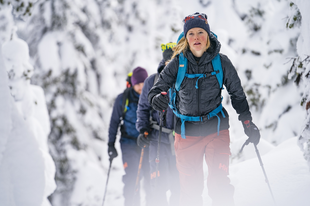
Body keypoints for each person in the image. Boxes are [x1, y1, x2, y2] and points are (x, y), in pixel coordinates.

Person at [148, 12, 260, 206]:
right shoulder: (177, 63)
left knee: (219, 185)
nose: (196, 37)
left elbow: (237, 94)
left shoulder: (221, 62)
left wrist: (247, 121)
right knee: (190, 192)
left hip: (216, 130)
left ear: (208, 35)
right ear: (186, 38)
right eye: (191, 33)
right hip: (186, 135)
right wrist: (156, 99)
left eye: (201, 32)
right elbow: (156, 90)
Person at [136, 43, 180, 206]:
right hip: (157, 140)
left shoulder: (183, 79)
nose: (170, 63)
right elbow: (143, 108)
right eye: (168, 60)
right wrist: (143, 130)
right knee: (158, 185)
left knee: (179, 186)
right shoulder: (152, 81)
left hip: (179, 141)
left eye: (173, 60)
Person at [108, 67, 151, 206]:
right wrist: (110, 144)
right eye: (137, 84)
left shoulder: (152, 97)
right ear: (132, 84)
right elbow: (114, 122)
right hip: (129, 143)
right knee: (132, 177)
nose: (141, 87)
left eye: (143, 83)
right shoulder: (123, 99)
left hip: (147, 143)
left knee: (152, 179)